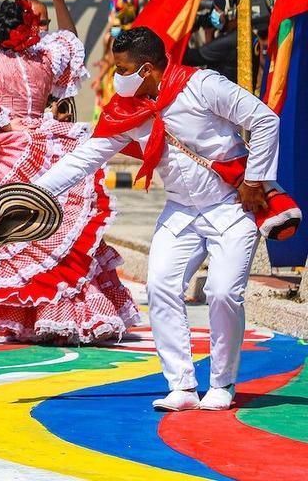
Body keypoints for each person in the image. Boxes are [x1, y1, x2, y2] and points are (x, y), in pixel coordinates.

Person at [33, 26, 279, 411]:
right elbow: (87, 157)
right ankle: (180, 385)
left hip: (231, 205)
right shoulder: (129, 109)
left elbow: (266, 121)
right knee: (160, 286)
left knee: (222, 292)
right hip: (181, 210)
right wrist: (35, 191)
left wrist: (254, 180)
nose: (117, 76)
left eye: (122, 68)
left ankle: (223, 382)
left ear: (146, 69)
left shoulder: (203, 86)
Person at [0, 0, 140, 344]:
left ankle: (18, 315)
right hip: (48, 144)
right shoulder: (44, 60)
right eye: (38, 25)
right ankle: (62, 312)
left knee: (11, 236)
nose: (43, 31)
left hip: (6, 153)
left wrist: (11, 124)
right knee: (53, 232)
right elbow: (71, 41)